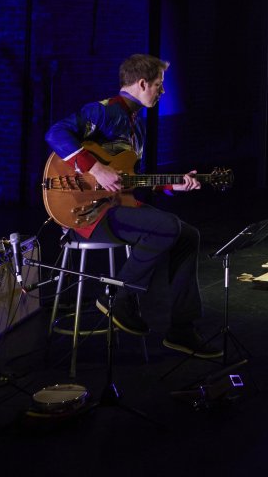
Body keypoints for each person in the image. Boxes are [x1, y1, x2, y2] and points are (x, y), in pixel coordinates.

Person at [44, 53, 220, 358]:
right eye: (158, 85)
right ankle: (119, 297)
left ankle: (181, 329)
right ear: (141, 83)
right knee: (168, 226)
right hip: (87, 215)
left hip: (113, 207)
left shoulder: (136, 125)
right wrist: (95, 169)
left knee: (187, 235)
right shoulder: (104, 112)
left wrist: (169, 184)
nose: (162, 92)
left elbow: (127, 181)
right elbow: (55, 133)